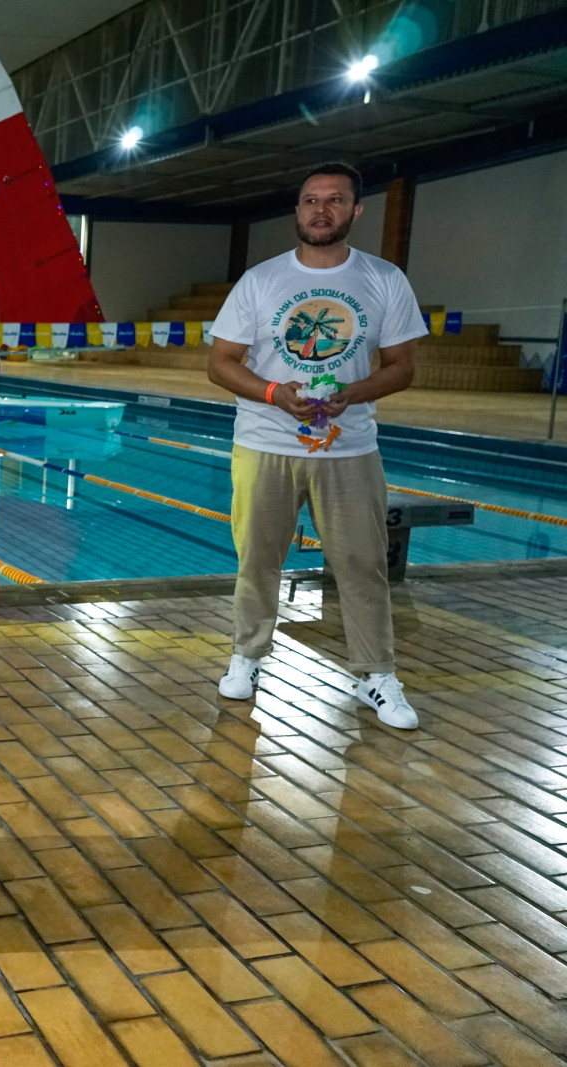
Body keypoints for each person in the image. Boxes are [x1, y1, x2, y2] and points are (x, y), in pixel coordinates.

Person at [207, 162, 424, 729]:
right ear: (298, 210)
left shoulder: (384, 279)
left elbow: (402, 367)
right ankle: (247, 657)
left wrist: (354, 393)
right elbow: (220, 362)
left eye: (334, 200)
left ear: (356, 210)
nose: (321, 210)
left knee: (362, 564)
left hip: (349, 448)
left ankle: (376, 675)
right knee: (258, 560)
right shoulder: (261, 280)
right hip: (264, 442)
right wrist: (274, 393)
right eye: (310, 200)